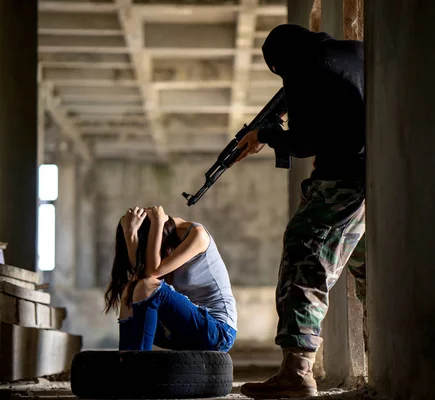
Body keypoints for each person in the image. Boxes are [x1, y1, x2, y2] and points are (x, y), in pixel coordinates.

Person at [235, 24, 366, 398]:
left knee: (303, 253)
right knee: (367, 266)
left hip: (341, 181)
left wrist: (266, 135)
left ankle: (297, 370)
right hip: (375, 180)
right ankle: (382, 356)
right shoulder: (355, 51)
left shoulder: (305, 68)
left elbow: (306, 142)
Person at [103, 205, 238, 352]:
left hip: (218, 332)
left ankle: (139, 366)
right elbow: (142, 275)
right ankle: (125, 363)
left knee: (146, 285)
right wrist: (130, 234)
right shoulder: (169, 242)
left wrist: (157, 223)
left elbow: (151, 274)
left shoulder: (198, 235)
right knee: (131, 290)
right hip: (183, 332)